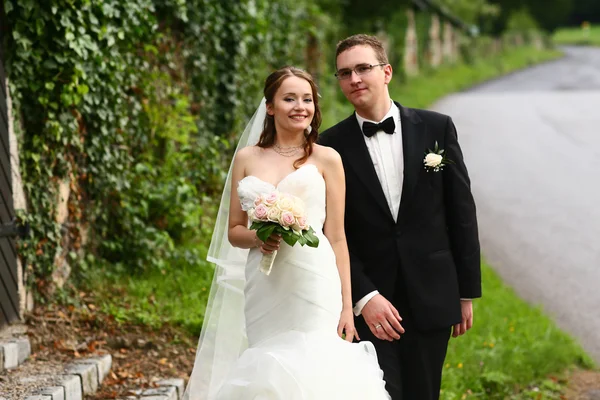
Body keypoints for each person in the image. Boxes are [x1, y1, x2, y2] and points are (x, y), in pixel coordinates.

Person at [183, 66, 390, 399]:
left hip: (314, 279)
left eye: (307, 99)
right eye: (289, 98)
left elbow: (336, 235)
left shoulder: (327, 159)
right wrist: (259, 237)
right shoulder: (247, 158)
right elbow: (235, 231)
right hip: (265, 281)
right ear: (270, 106)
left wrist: (346, 307)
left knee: (317, 359)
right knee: (268, 364)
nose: (300, 106)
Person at [318, 34, 482, 400]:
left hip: (432, 292)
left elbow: (462, 213)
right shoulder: (330, 147)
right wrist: (364, 297)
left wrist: (466, 291)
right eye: (345, 73)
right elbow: (333, 231)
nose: (355, 79)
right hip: (371, 301)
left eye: (363, 68)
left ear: (387, 71)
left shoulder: (437, 128)